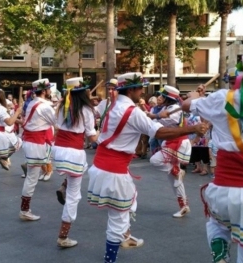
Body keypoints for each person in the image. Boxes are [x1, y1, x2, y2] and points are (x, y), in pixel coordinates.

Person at [87, 72, 207, 263]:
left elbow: (146, 119)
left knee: (128, 202)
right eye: (140, 88)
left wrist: (158, 114)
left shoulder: (113, 105)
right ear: (132, 89)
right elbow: (158, 131)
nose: (143, 91)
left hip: (102, 165)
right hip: (114, 171)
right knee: (117, 217)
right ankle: (110, 258)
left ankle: (125, 236)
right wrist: (192, 129)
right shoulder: (132, 111)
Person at [181, 51, 243, 263]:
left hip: (224, 187)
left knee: (217, 223)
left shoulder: (222, 99)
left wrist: (195, 96)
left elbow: (185, 105)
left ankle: (220, 252)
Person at [52, 77, 99, 247]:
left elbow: (57, 128)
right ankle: (63, 237)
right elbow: (92, 137)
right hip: (74, 152)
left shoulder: (60, 108)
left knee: (78, 172)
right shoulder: (87, 110)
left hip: (58, 150)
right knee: (74, 195)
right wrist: (106, 136)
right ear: (83, 93)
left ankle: (64, 184)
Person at [149, 85, 192, 218]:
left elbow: (166, 120)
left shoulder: (174, 109)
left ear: (168, 98)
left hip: (178, 142)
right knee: (174, 179)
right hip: (172, 141)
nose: (160, 98)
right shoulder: (168, 108)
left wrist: (154, 116)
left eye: (163, 96)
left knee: (154, 160)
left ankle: (178, 171)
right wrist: (154, 115)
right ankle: (183, 206)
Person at [19, 78, 56, 221]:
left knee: (31, 177)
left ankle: (25, 209)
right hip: (36, 143)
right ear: (45, 91)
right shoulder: (45, 106)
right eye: (49, 89)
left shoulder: (33, 103)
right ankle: (24, 210)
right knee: (32, 178)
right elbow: (56, 123)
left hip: (31, 142)